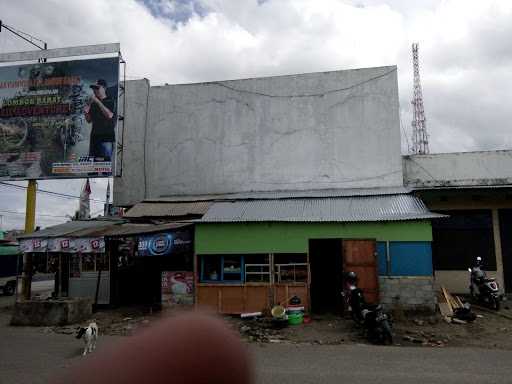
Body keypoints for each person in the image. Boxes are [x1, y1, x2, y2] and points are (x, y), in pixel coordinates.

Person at [84, 79, 116, 161]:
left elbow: (109, 115)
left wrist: (98, 102)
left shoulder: (110, 100)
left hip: (106, 139)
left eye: (97, 88)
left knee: (105, 167)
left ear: (104, 88)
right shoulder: (93, 103)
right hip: (94, 138)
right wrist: (86, 110)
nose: (95, 90)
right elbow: (89, 120)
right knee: (93, 168)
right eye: (93, 88)